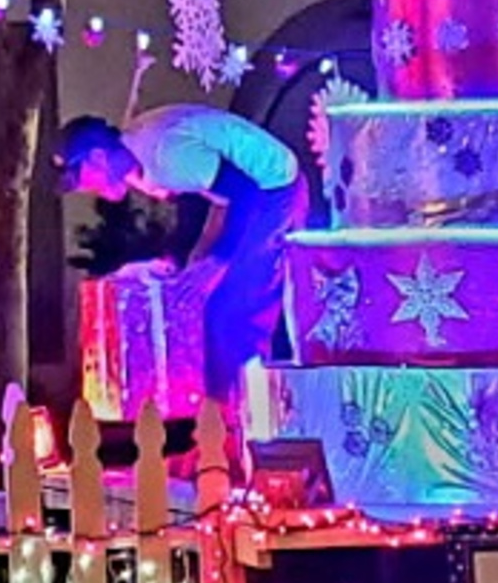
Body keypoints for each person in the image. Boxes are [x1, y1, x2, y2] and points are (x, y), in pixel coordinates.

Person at [60, 106, 311, 422]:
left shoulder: (164, 154)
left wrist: (218, 260)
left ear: (97, 156)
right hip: (238, 199)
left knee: (234, 308)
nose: (85, 189)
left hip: (273, 189)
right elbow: (202, 199)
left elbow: (244, 193)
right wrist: (182, 261)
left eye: (81, 178)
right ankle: (220, 415)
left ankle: (249, 417)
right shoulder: (141, 161)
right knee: (207, 303)